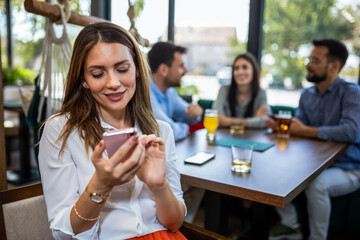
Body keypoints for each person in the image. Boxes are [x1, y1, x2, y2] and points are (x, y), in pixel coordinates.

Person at [38, 22, 187, 240]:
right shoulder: (59, 131)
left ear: (136, 69)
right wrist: (101, 185)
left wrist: (158, 185)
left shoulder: (160, 130)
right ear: (84, 80)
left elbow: (174, 223)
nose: (113, 83)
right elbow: (62, 234)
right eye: (98, 74)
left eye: (122, 69)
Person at [266, 39, 360, 240]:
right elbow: (300, 128)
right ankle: (291, 227)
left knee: (317, 185)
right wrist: (284, 127)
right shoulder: (307, 94)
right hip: (313, 165)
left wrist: (306, 131)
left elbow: (350, 132)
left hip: (349, 167)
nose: (308, 64)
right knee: (271, 170)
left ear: (334, 66)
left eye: (315, 60)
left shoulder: (352, 93)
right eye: (309, 58)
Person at [147, 42, 203, 141]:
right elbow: (167, 132)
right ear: (163, 70)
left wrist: (194, 113)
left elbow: (187, 113)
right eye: (181, 66)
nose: (186, 71)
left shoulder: (169, 92)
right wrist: (187, 128)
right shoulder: (145, 93)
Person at [212, 52, 270, 128]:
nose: (240, 72)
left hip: (251, 138)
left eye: (245, 67)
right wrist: (253, 119)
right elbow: (216, 118)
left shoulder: (261, 93)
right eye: (236, 68)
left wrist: (227, 121)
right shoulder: (224, 90)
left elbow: (266, 121)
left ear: (254, 71)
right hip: (226, 137)